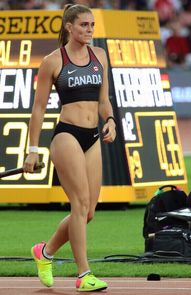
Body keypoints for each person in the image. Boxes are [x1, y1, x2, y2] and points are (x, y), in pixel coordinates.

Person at [23, 3, 116, 292]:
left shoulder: (99, 55)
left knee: (88, 212)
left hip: (92, 136)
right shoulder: (53, 61)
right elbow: (38, 109)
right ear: (69, 27)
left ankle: (45, 252)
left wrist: (110, 119)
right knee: (79, 203)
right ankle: (83, 274)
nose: (89, 30)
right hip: (66, 136)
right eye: (83, 25)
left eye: (91, 25)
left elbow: (104, 99)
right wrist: (33, 149)